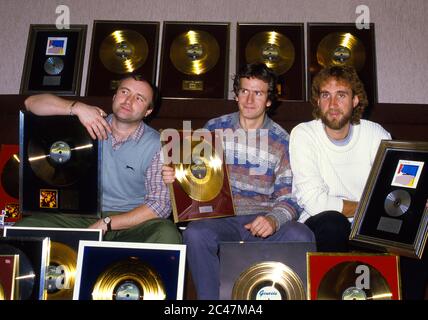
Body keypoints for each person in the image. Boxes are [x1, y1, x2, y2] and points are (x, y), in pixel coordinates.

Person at [162, 63, 315, 300]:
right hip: (221, 219)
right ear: (236, 95)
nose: (250, 99)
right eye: (244, 91)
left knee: (302, 236)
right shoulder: (214, 128)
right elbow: (196, 177)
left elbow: (291, 197)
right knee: (195, 234)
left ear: (269, 100)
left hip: (262, 217)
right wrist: (176, 180)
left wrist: (274, 220)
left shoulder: (282, 140)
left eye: (258, 93)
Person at [289, 65, 427, 299]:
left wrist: (415, 205)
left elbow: (394, 190)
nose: (332, 104)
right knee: (334, 222)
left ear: (355, 100)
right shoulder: (304, 134)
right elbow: (315, 202)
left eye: (341, 95)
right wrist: (369, 207)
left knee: (417, 231)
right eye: (326, 95)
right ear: (317, 101)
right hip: (322, 224)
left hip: (371, 228)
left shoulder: (375, 133)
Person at [14, 76, 181, 245]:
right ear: (114, 97)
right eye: (124, 92)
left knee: (167, 234)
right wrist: (77, 107)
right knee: (23, 228)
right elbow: (31, 103)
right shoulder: (88, 121)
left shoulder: (158, 144)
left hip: (133, 221)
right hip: (83, 216)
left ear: (148, 111)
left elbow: (159, 204)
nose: (128, 101)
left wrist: (108, 223)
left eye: (139, 98)